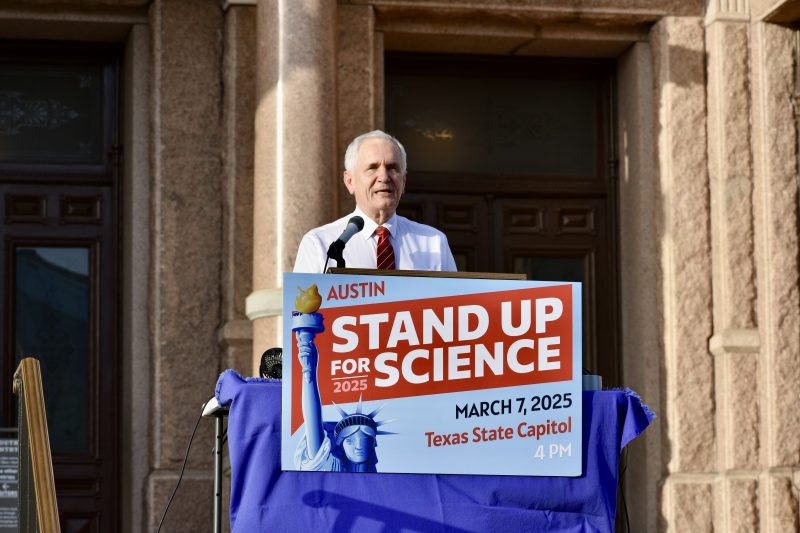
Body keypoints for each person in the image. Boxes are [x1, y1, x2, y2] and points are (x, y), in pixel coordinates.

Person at [293, 130, 457, 273]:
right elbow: (302, 307)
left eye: (393, 168)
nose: (384, 177)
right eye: (372, 168)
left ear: (404, 181)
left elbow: (454, 304)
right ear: (350, 181)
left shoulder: (433, 242)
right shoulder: (320, 244)